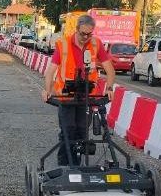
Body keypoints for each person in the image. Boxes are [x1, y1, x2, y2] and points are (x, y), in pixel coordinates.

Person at [42, 14, 116, 166]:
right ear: (76, 29)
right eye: (83, 33)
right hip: (65, 96)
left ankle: (78, 165)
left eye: (89, 34)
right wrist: (47, 90)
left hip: (87, 97)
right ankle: (65, 166)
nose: (86, 37)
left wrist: (109, 88)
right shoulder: (63, 44)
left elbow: (110, 69)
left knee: (82, 132)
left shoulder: (96, 44)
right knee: (68, 131)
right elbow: (50, 71)